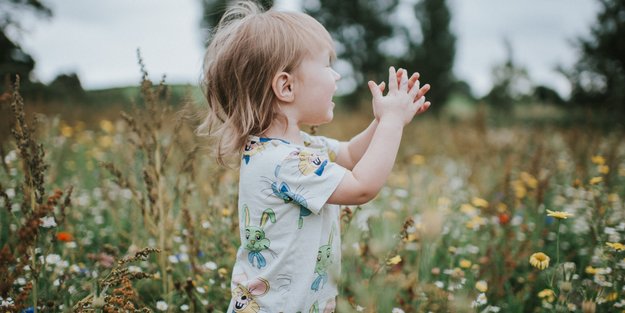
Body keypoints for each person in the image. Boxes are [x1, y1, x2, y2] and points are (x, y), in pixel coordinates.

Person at [197, 1, 431, 312]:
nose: (336, 76)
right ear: (286, 86)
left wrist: (382, 118)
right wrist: (392, 123)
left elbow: (348, 154)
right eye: (326, 65)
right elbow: (362, 186)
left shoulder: (298, 148)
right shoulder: (283, 162)